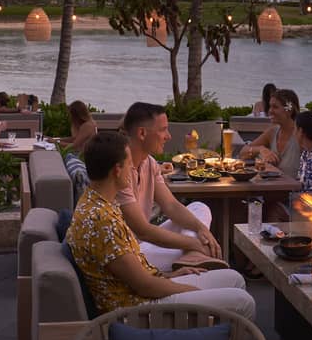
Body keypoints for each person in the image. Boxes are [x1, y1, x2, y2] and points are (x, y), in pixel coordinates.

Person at [66, 130, 255, 318]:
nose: (131, 168)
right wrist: (189, 290)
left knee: (234, 279)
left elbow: (136, 274)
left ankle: (212, 339)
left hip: (143, 292)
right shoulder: (101, 221)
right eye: (128, 163)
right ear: (117, 170)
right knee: (243, 301)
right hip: (139, 309)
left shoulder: (96, 202)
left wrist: (170, 276)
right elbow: (144, 286)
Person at [119, 102, 224, 271]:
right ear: (142, 133)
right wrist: (194, 243)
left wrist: (201, 229)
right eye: (163, 130)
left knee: (199, 207)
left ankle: (192, 256)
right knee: (200, 249)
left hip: (145, 243)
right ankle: (194, 254)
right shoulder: (119, 169)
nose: (168, 136)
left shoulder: (149, 163)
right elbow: (142, 230)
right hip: (129, 254)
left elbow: (171, 206)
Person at [237, 88, 302, 175]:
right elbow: (242, 153)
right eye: (270, 106)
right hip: (272, 186)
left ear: (289, 110)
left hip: (295, 187)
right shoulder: (273, 132)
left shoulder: (301, 134)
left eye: (275, 107)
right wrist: (261, 149)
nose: (270, 111)